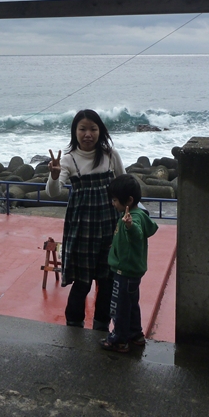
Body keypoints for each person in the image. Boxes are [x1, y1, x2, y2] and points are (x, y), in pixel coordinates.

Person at [47, 109, 125, 330]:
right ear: (75, 132)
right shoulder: (68, 160)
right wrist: (54, 175)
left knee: (107, 281)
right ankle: (74, 327)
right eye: (82, 129)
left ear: (100, 131)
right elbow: (53, 192)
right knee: (82, 284)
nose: (88, 134)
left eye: (93, 128)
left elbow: (124, 183)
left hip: (110, 229)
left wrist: (139, 212)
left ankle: (101, 327)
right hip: (81, 231)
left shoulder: (111, 155)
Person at [100, 173, 159, 353]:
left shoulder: (133, 219)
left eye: (116, 200)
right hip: (134, 271)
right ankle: (136, 334)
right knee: (132, 304)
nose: (113, 203)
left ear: (129, 200)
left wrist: (129, 226)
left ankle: (119, 339)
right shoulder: (139, 214)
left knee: (119, 307)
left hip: (124, 272)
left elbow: (137, 234)